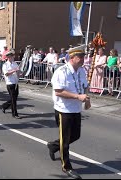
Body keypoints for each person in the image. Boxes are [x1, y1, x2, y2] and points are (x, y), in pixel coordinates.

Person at [47, 44, 91, 179]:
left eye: (84, 56)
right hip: (63, 110)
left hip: (76, 109)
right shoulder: (61, 71)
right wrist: (78, 97)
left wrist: (87, 99)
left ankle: (53, 145)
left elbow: (84, 86)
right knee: (65, 140)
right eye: (80, 56)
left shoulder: (82, 71)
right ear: (72, 58)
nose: (83, 59)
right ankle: (66, 166)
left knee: (76, 135)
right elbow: (59, 92)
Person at [1, 49, 22, 119]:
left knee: (14, 98)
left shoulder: (15, 63)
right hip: (10, 83)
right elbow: (6, 74)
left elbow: (18, 72)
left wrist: (20, 73)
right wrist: (14, 70)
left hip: (15, 82)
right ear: (8, 57)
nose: (12, 57)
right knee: (13, 99)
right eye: (11, 56)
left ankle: (4, 106)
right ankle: (15, 114)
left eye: (12, 56)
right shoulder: (5, 65)